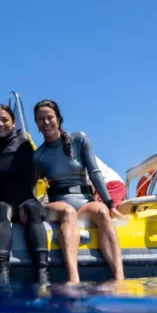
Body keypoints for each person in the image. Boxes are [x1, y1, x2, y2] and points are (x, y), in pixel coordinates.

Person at [32, 100, 124, 282]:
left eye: (49, 117)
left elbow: (95, 173)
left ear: (58, 119)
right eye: (40, 119)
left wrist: (109, 204)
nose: (46, 122)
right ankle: (74, 278)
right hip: (57, 203)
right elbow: (30, 186)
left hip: (85, 200)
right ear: (36, 123)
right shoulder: (38, 156)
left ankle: (119, 276)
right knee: (68, 212)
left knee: (102, 211)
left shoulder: (79, 140)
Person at [0, 103, 50, 285]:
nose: (0, 124)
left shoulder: (25, 146)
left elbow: (35, 175)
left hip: (25, 202)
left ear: (13, 122)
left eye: (4, 120)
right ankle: (3, 271)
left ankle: (42, 271)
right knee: (0, 207)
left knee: (31, 208)